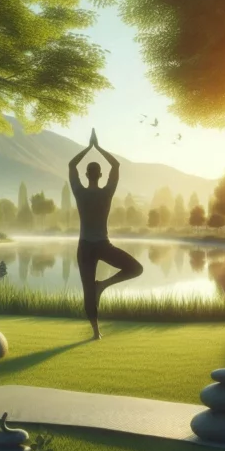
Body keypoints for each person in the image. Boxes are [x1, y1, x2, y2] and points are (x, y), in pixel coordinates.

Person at [69, 129, 143, 339]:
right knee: (136, 268)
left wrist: (88, 147)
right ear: (100, 175)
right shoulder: (106, 192)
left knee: (88, 291)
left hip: (85, 247)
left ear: (86, 175)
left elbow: (71, 165)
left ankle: (96, 332)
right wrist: (98, 147)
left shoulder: (79, 192)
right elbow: (116, 166)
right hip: (102, 245)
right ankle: (103, 285)